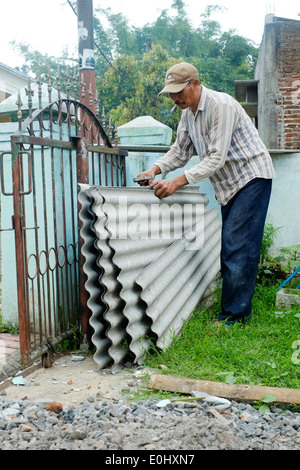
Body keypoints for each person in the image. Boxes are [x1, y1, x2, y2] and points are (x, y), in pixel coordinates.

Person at [137, 62, 275, 325]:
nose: (176, 97)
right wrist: (154, 169)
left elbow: (216, 157)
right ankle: (235, 309)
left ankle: (234, 317)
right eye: (171, 93)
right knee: (232, 244)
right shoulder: (188, 114)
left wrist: (176, 182)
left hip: (251, 176)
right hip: (229, 185)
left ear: (196, 84)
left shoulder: (220, 105)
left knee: (238, 245)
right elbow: (180, 151)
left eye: (180, 91)